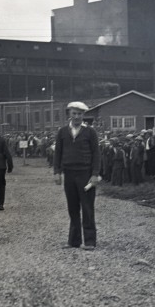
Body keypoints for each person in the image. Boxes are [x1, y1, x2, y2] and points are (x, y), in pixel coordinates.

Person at [53, 101, 101, 250]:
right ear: (69, 114)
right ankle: (73, 241)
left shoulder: (90, 132)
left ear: (83, 115)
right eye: (74, 113)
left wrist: (94, 174)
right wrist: (57, 172)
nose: (77, 117)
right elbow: (58, 153)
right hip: (69, 173)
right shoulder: (62, 132)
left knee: (87, 207)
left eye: (80, 114)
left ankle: (90, 242)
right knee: (72, 208)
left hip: (85, 174)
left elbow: (97, 154)